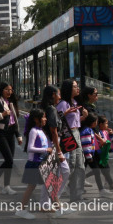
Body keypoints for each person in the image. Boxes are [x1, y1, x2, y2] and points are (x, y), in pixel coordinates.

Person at [14, 109, 52, 220]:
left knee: (50, 183)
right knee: (31, 187)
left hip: (40, 163)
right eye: (43, 117)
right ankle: (21, 210)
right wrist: (46, 149)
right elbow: (30, 148)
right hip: (34, 164)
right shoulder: (34, 131)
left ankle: (58, 208)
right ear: (36, 119)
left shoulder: (41, 130)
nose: (45, 119)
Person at [39, 85, 71, 213]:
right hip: (52, 144)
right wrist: (58, 151)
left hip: (49, 144)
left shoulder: (48, 108)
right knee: (63, 172)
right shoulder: (51, 109)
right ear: (53, 95)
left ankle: (47, 202)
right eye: (58, 94)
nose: (60, 96)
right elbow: (54, 131)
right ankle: (49, 201)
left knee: (52, 175)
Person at [56, 79, 88, 202]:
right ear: (69, 89)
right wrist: (64, 113)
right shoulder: (63, 104)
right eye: (75, 86)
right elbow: (56, 119)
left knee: (80, 165)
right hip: (68, 135)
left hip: (76, 133)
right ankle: (55, 192)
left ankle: (77, 195)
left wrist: (83, 117)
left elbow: (74, 121)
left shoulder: (74, 102)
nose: (77, 88)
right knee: (71, 165)